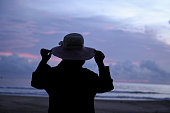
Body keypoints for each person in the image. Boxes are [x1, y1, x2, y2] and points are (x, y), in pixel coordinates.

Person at [31, 33, 114, 113]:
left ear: (63, 56)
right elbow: (106, 86)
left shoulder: (52, 74)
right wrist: (100, 63)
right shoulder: (89, 76)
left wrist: (43, 61)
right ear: (82, 58)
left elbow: (36, 83)